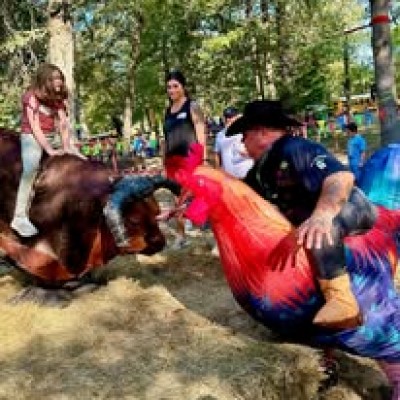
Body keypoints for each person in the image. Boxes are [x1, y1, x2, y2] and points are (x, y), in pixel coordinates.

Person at [226, 100, 376, 330]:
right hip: (309, 218)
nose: (242, 143)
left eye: (244, 136)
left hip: (350, 207)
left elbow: (340, 177)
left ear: (261, 132)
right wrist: (196, 192)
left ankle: (343, 302)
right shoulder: (261, 169)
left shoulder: (295, 148)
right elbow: (237, 194)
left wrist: (322, 214)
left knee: (320, 228)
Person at [11, 63, 76, 237]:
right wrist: (49, 150)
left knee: (78, 158)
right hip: (32, 136)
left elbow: (63, 124)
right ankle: (19, 217)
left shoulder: (58, 97)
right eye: (54, 78)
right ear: (44, 80)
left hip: (52, 135)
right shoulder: (31, 97)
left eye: (60, 78)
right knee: (31, 168)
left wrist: (67, 147)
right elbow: (35, 127)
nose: (59, 81)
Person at [163, 70, 207, 249]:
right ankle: (181, 237)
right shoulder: (167, 111)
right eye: (169, 87)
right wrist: (163, 162)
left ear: (183, 87)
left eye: (175, 86)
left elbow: (201, 133)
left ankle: (208, 229)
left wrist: (203, 159)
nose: (172, 90)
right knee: (176, 199)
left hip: (190, 158)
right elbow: (166, 138)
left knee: (196, 196)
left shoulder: (192, 106)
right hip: (172, 162)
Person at [213, 106, 253, 179]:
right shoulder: (220, 135)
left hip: (245, 176)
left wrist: (248, 153)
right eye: (226, 117)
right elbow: (217, 154)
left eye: (231, 117)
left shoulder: (246, 132)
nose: (228, 119)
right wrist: (218, 170)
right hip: (227, 176)